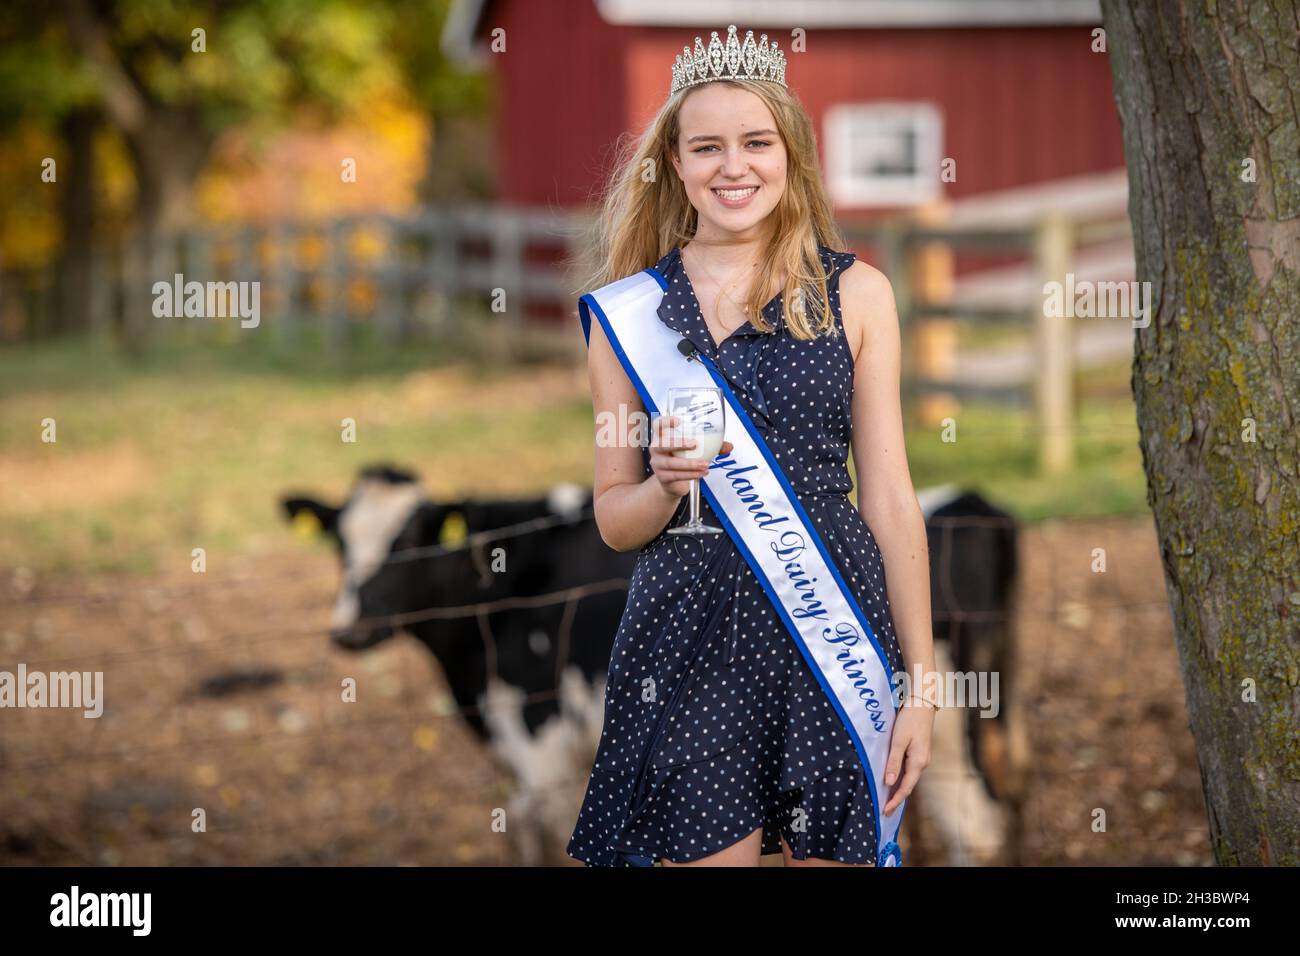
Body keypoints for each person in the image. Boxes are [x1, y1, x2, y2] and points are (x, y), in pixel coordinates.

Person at [566, 25, 937, 867]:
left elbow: (887, 497)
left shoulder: (860, 295)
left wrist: (920, 685)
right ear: (675, 164)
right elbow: (615, 522)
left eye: (755, 143)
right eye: (707, 148)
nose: (734, 167)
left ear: (791, 154)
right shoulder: (626, 318)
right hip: (686, 641)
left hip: (834, 622)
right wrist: (662, 488)